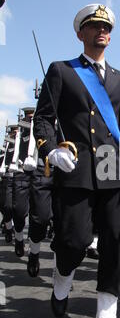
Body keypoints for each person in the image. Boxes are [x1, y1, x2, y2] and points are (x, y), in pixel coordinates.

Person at [34, 3, 120, 318]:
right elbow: (43, 119)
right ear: (81, 33)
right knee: (73, 242)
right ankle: (62, 277)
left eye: (106, 27)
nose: (101, 31)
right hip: (75, 170)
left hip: (111, 171)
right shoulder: (62, 71)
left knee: (112, 244)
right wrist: (50, 150)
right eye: (93, 26)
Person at [11, 107, 53, 277]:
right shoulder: (24, 131)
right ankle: (29, 248)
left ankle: (60, 274)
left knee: (56, 221)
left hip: (52, 170)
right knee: (21, 212)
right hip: (24, 172)